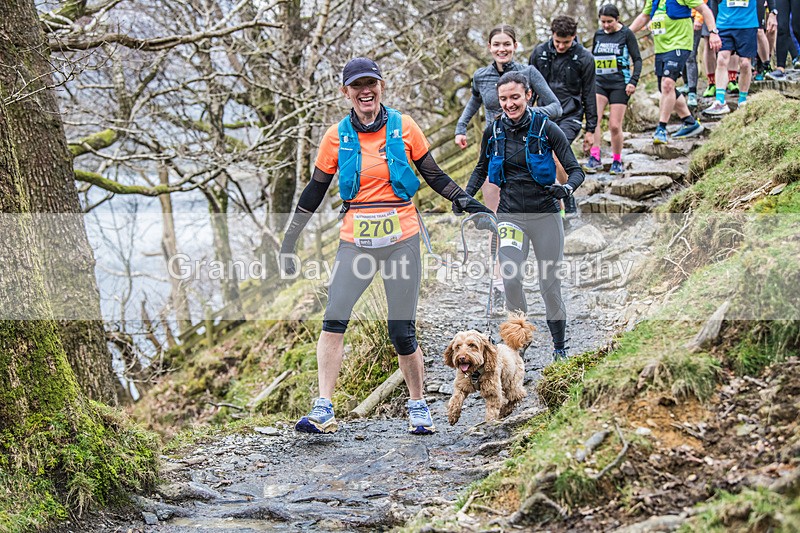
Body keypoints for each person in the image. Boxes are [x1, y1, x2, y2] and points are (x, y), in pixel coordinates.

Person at [280, 58, 494, 435]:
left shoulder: (404, 126)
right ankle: (324, 406)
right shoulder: (335, 136)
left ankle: (418, 404)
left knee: (401, 330)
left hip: (401, 240)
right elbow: (314, 190)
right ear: (346, 92)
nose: (365, 91)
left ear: (381, 87)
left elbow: (433, 175)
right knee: (334, 319)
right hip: (356, 243)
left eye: (371, 84)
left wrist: (469, 204)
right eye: (357, 86)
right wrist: (290, 238)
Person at [462, 71, 585, 362]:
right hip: (510, 216)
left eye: (515, 97)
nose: (509, 104)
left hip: (545, 215)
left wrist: (566, 188)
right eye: (503, 99)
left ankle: (559, 347)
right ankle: (519, 344)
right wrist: (465, 198)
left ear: (528, 96)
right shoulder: (493, 131)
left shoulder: (547, 128)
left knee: (549, 284)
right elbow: (481, 169)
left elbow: (576, 171)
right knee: (511, 279)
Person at [455, 24, 561, 312]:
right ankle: (501, 285)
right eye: (496, 44)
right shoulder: (481, 76)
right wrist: (461, 127)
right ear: (490, 47)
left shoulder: (529, 73)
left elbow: (556, 107)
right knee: (497, 221)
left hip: (528, 153)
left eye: (507, 44)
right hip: (496, 153)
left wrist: (524, 114)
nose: (501, 49)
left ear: (515, 45)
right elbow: (474, 102)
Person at [529, 15, 596, 213]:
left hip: (570, 115)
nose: (560, 46)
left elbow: (589, 94)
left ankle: (568, 198)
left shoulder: (585, 58)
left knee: (555, 153)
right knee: (540, 158)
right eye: (557, 41)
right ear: (552, 34)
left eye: (565, 42)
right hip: (543, 114)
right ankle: (550, 201)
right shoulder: (539, 53)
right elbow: (529, 88)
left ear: (574, 37)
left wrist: (591, 129)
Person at [630, 0, 721, 144]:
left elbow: (704, 9)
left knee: (667, 84)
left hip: (680, 44)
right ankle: (690, 122)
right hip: (661, 48)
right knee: (664, 88)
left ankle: (661, 129)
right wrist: (624, 34)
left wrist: (713, 32)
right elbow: (644, 16)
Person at [585, 4, 643, 175]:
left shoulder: (626, 34)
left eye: (609, 21)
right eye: (603, 22)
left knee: (615, 126)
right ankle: (595, 156)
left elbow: (637, 59)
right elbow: (593, 59)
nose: (606, 25)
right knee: (594, 120)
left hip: (619, 84)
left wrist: (633, 81)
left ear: (617, 19)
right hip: (600, 83)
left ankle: (617, 160)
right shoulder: (598, 34)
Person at [704, 0, 776, 113]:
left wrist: (773, 12)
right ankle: (720, 101)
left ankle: (742, 101)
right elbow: (713, 3)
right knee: (722, 59)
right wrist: (713, 29)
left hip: (747, 24)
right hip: (724, 23)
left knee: (745, 63)